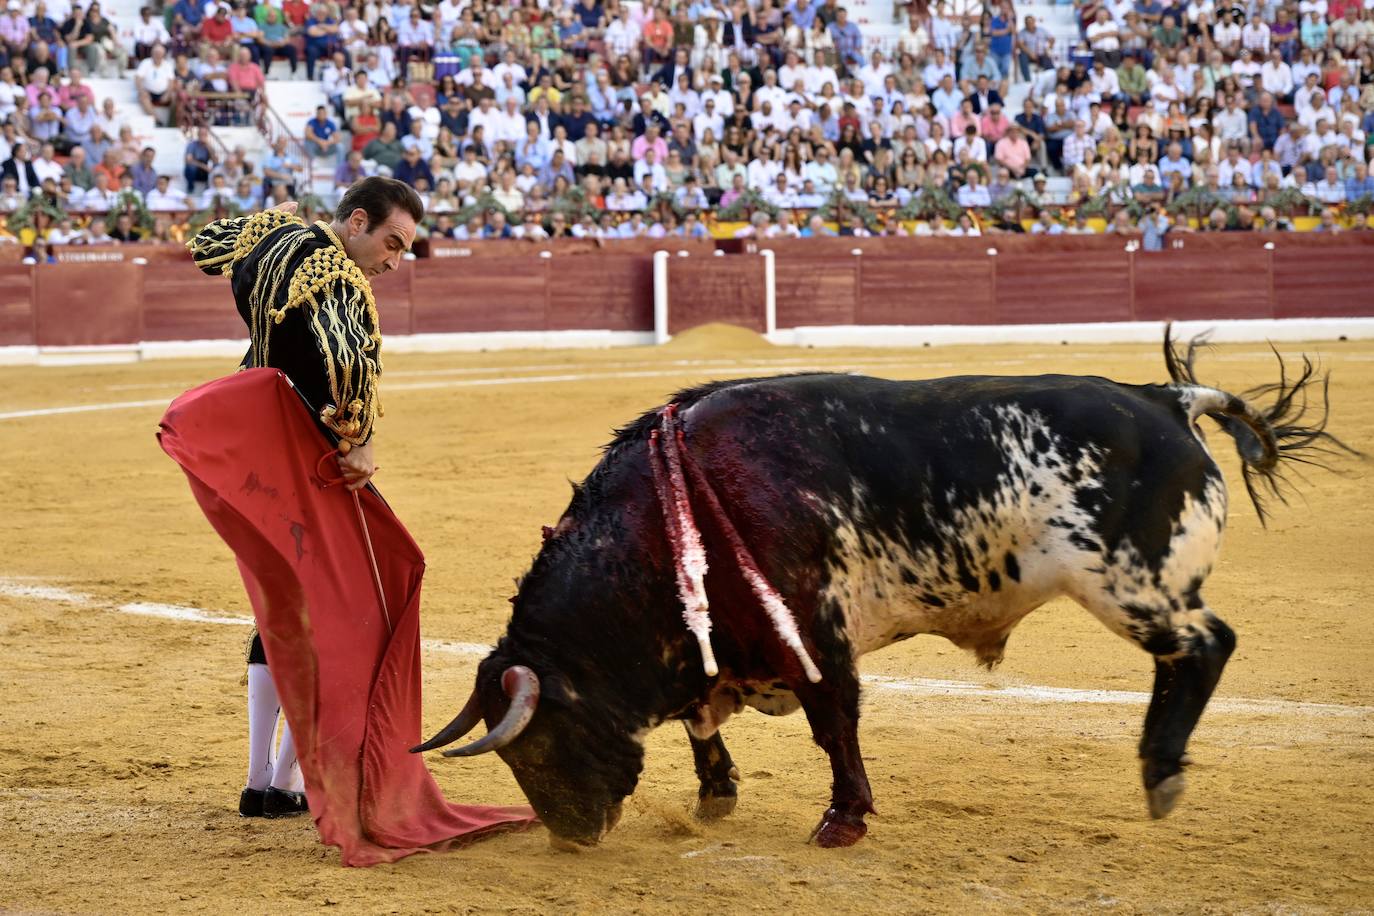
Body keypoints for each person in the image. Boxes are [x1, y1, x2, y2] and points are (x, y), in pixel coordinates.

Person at [186, 176, 422, 818]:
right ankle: (289, 781)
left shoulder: (273, 237)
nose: (393, 263)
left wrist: (268, 215)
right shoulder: (338, 276)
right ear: (356, 222)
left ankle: (261, 778)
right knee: (340, 608)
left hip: (251, 453)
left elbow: (208, 247)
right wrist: (359, 440)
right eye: (391, 243)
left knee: (280, 603)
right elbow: (345, 364)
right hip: (308, 460)